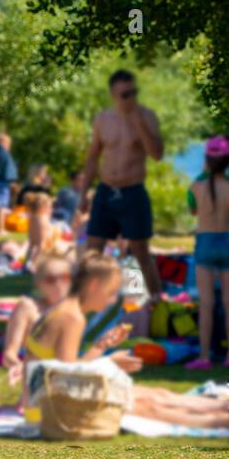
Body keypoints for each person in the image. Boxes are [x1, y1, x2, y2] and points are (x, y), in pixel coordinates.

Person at [18, 253, 229, 429]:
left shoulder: (67, 313)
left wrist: (101, 348)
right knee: (154, 405)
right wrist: (111, 363)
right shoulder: (70, 317)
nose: (110, 300)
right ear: (94, 284)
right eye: (110, 292)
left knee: (154, 395)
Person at [81, 71, 164, 296]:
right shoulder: (103, 119)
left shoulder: (147, 116)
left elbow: (156, 154)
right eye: (125, 94)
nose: (130, 98)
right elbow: (92, 157)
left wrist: (136, 119)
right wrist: (83, 193)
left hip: (133, 191)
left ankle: (157, 300)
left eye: (133, 92)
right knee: (93, 249)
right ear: (113, 94)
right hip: (106, 190)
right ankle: (85, 300)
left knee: (141, 252)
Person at [185, 135, 229, 370]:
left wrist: (204, 173)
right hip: (227, 243)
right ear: (228, 161)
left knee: (207, 304)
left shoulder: (196, 186)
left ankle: (205, 357)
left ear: (207, 160)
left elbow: (192, 211)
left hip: (205, 243)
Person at [2, 252, 73, 386]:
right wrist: (21, 367)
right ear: (40, 283)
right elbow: (9, 354)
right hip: (37, 386)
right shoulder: (27, 307)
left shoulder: (75, 311)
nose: (58, 284)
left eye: (65, 278)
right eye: (51, 279)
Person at [0, 133, 19, 235]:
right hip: (2, 183)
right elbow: (6, 170)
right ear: (4, 142)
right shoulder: (3, 153)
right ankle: (1, 229)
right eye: (8, 143)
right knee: (1, 206)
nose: (9, 146)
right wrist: (11, 182)